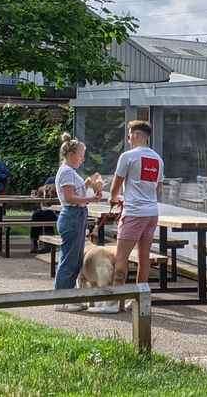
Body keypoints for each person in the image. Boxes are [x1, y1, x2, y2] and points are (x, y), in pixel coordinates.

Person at [110, 120, 163, 312]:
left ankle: (115, 300)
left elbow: (115, 186)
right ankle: (140, 301)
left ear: (138, 135)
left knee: (121, 257)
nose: (128, 137)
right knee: (144, 257)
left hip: (133, 212)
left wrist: (114, 199)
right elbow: (158, 187)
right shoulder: (158, 159)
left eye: (130, 134)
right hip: (151, 213)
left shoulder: (128, 156)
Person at [54, 133, 101, 312]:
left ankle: (68, 297)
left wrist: (88, 183)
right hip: (72, 215)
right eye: (81, 154)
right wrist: (92, 199)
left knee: (73, 259)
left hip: (76, 215)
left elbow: (75, 193)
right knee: (69, 260)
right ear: (72, 154)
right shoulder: (66, 171)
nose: (82, 159)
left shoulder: (69, 171)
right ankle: (61, 300)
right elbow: (70, 197)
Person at [29, 177, 57, 254]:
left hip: (58, 212)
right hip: (47, 210)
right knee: (36, 215)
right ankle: (34, 243)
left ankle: (48, 244)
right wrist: (37, 195)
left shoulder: (62, 186)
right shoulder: (48, 182)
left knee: (46, 215)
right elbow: (40, 200)